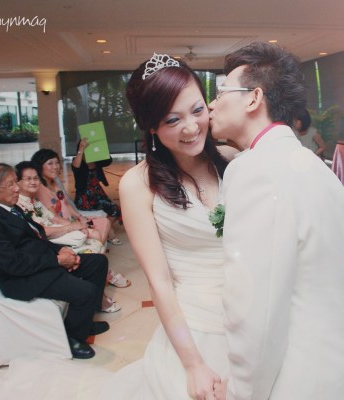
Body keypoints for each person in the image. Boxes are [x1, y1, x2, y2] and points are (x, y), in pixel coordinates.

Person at [208, 42, 344, 400]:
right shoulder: (320, 169)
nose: (211, 104)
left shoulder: (254, 171)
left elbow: (256, 306)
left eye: (221, 93)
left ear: (253, 98)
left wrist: (239, 391)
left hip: (296, 375)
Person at [98, 53, 234, 400]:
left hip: (252, 314)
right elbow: (159, 282)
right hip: (197, 327)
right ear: (152, 127)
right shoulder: (138, 184)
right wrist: (193, 364)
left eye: (197, 110)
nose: (191, 127)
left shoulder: (234, 161)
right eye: (173, 119)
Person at [0, 163, 110, 359]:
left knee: (98, 263)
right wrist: (57, 260)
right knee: (86, 292)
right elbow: (14, 264)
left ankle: (85, 322)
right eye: (11, 185)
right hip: (21, 279)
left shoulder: (11, 208)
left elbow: (37, 236)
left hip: (40, 264)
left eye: (16, 182)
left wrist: (60, 250)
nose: (17, 189)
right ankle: (72, 338)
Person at [14, 161, 121, 313]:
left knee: (94, 240)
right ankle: (98, 294)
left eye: (35, 178)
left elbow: (53, 217)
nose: (33, 182)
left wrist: (76, 225)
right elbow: (40, 231)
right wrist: (71, 227)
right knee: (94, 247)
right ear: (17, 182)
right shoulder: (19, 205)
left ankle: (97, 291)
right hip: (48, 242)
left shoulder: (34, 199)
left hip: (56, 232)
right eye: (28, 179)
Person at [31, 148, 131, 289]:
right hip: (62, 227)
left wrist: (80, 217)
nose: (55, 167)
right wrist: (77, 225)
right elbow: (54, 218)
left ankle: (94, 263)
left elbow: (66, 204)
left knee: (104, 222)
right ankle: (103, 271)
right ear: (40, 166)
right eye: (50, 163)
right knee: (96, 234)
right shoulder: (41, 188)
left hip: (72, 220)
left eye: (57, 163)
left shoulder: (54, 182)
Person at [71, 138, 123, 245]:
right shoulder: (77, 160)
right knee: (113, 209)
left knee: (116, 209)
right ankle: (110, 234)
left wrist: (101, 147)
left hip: (98, 193)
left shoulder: (96, 160)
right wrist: (81, 148)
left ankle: (106, 229)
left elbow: (108, 160)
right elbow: (75, 167)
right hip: (85, 198)